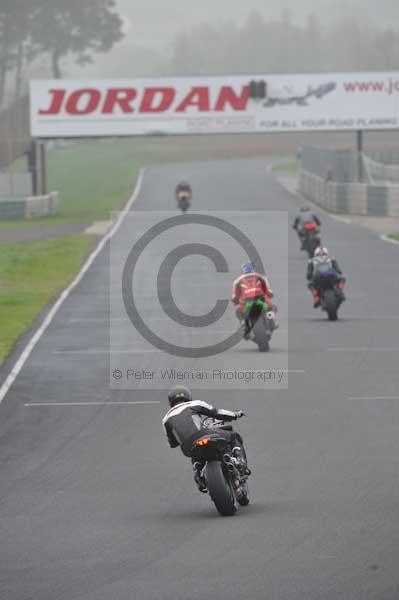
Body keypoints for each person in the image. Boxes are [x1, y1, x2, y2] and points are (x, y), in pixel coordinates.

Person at [162, 386, 249, 493]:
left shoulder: (166, 418)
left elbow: (173, 442)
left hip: (187, 446)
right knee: (233, 436)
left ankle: (198, 473)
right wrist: (235, 414)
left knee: (194, 455)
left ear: (170, 401)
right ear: (188, 397)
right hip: (204, 434)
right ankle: (240, 463)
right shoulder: (195, 404)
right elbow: (217, 413)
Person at [232, 262, 277, 339]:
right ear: (254, 269)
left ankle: (243, 323)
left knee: (238, 311)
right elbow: (268, 290)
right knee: (272, 307)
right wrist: (270, 295)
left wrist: (235, 301)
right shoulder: (261, 277)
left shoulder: (238, 280)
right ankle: (270, 317)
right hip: (260, 298)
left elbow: (235, 295)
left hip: (246, 301)